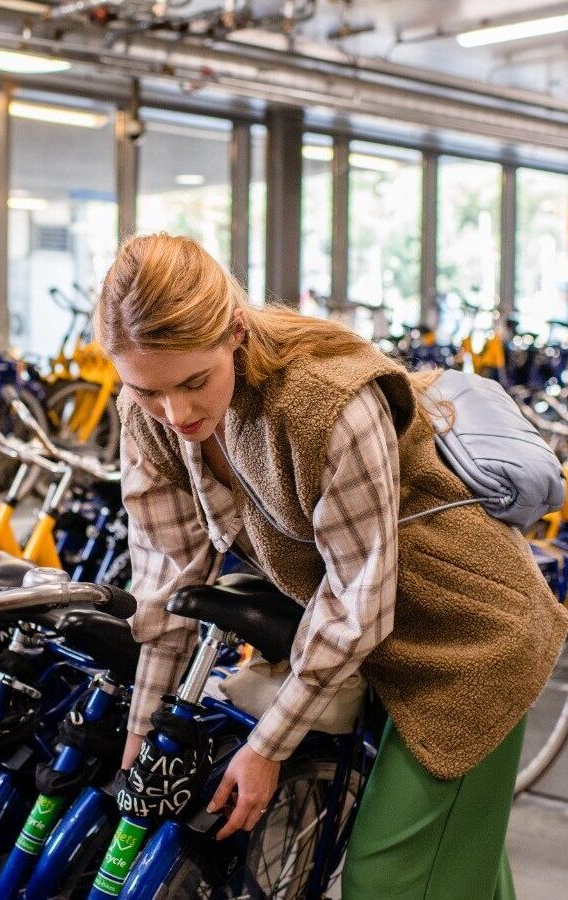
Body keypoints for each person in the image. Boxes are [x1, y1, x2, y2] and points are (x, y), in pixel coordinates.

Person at [94, 233, 568, 899]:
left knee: (391, 882)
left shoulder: (328, 401)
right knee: (460, 873)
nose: (177, 413)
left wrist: (269, 746)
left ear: (232, 330)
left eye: (195, 382)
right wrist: (141, 734)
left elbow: (357, 601)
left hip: (467, 644)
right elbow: (172, 587)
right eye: (148, 391)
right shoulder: (148, 422)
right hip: (374, 643)